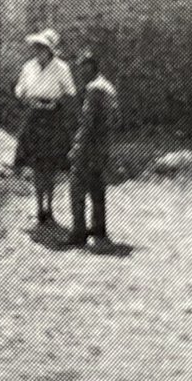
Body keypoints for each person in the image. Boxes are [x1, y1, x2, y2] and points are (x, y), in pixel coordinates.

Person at [12, 28, 77, 226]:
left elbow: (70, 92)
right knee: (37, 165)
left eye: (43, 48)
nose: (38, 52)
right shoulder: (28, 67)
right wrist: (26, 97)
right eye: (37, 48)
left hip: (52, 119)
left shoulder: (61, 68)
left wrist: (54, 103)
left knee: (50, 165)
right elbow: (19, 90)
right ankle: (39, 206)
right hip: (34, 118)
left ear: (51, 51)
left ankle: (49, 206)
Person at [66, 52, 120, 248]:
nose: (80, 73)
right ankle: (99, 228)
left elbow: (87, 124)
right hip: (103, 146)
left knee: (76, 187)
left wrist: (77, 148)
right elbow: (115, 119)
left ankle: (78, 232)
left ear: (90, 68)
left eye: (82, 68)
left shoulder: (94, 89)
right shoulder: (107, 86)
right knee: (97, 187)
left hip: (89, 147)